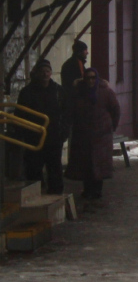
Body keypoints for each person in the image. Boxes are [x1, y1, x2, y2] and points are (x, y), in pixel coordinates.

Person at [65, 65, 120, 202]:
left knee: (98, 163)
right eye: (88, 78)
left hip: (101, 135)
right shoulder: (78, 92)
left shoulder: (105, 92)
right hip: (82, 134)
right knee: (85, 163)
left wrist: (111, 126)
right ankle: (88, 189)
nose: (90, 81)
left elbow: (115, 110)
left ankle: (97, 190)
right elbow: (71, 111)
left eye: (93, 78)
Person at [15, 60, 64, 194]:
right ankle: (35, 195)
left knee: (55, 169)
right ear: (36, 73)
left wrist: (63, 133)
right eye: (42, 71)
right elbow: (20, 113)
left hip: (53, 136)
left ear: (51, 73)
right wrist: (23, 134)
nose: (45, 74)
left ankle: (56, 196)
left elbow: (66, 111)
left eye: (47, 71)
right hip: (34, 136)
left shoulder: (58, 91)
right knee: (33, 169)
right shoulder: (27, 92)